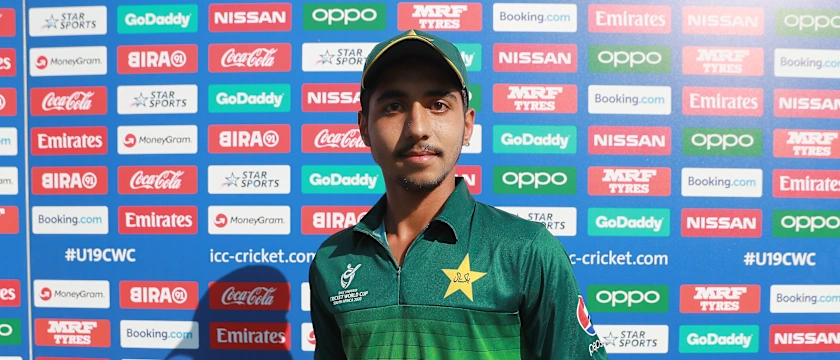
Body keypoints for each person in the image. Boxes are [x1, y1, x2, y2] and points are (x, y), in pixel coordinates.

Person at [308, 29, 609, 360]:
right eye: (394, 106)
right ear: (364, 127)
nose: (417, 127)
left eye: (438, 105)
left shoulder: (526, 250)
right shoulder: (333, 261)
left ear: (467, 125)